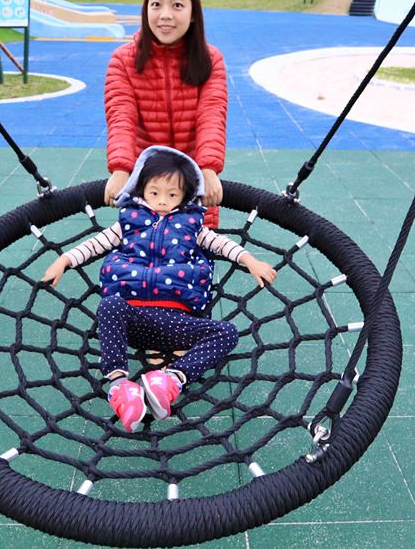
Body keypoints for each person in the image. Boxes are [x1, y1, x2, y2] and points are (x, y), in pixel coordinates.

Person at [43, 146, 277, 432]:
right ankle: (120, 387)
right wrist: (63, 261)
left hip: (176, 322)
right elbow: (95, 245)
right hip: (134, 319)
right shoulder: (127, 223)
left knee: (226, 332)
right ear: (141, 189)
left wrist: (251, 261)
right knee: (109, 305)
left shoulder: (192, 225)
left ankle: (171, 381)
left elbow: (222, 245)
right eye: (154, 193)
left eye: (172, 195)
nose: (162, 202)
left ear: (185, 196)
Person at [103, 0, 228, 229]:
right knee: (143, 260)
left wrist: (207, 168)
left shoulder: (210, 60)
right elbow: (121, 117)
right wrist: (121, 168)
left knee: (195, 259)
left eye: (178, 6)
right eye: (156, 4)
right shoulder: (124, 61)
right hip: (147, 187)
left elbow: (212, 115)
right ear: (146, 9)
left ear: (193, 13)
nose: (165, 15)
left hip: (193, 183)